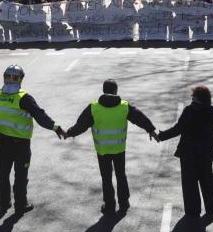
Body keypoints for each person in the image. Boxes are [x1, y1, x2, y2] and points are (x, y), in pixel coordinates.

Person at [0, 65, 66, 214]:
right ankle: (20, 205)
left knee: (3, 174)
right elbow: (40, 116)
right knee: (20, 176)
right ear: (20, 79)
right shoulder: (23, 97)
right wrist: (56, 128)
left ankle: (4, 203)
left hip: (1, 142)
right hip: (20, 144)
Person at [65, 79, 158, 214]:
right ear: (116, 91)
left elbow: (81, 125)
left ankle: (109, 206)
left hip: (102, 150)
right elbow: (140, 118)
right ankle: (124, 202)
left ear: (103, 90)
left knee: (106, 177)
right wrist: (151, 130)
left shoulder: (93, 107)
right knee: (121, 175)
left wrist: (69, 133)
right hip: (119, 149)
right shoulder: (124, 106)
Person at [158, 85, 213, 217]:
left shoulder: (188, 111)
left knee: (189, 182)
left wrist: (160, 136)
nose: (191, 97)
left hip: (187, 152)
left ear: (197, 98)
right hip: (205, 152)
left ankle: (192, 210)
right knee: (208, 179)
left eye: (193, 95)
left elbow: (177, 129)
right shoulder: (211, 111)